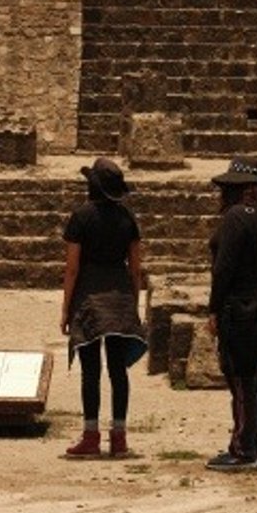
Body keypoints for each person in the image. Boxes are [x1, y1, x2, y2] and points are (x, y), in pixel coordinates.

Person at [58, 157, 149, 459]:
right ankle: (119, 437)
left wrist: (65, 308)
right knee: (118, 370)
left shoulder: (81, 217)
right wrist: (132, 304)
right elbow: (135, 268)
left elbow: (71, 268)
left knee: (91, 371)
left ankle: (91, 435)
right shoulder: (127, 218)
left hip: (88, 297)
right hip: (120, 296)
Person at [204, 155, 257, 472]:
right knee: (255, 380)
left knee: (240, 379)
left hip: (240, 305)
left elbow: (224, 269)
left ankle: (243, 448)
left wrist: (213, 308)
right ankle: (255, 442)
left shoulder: (237, 217)